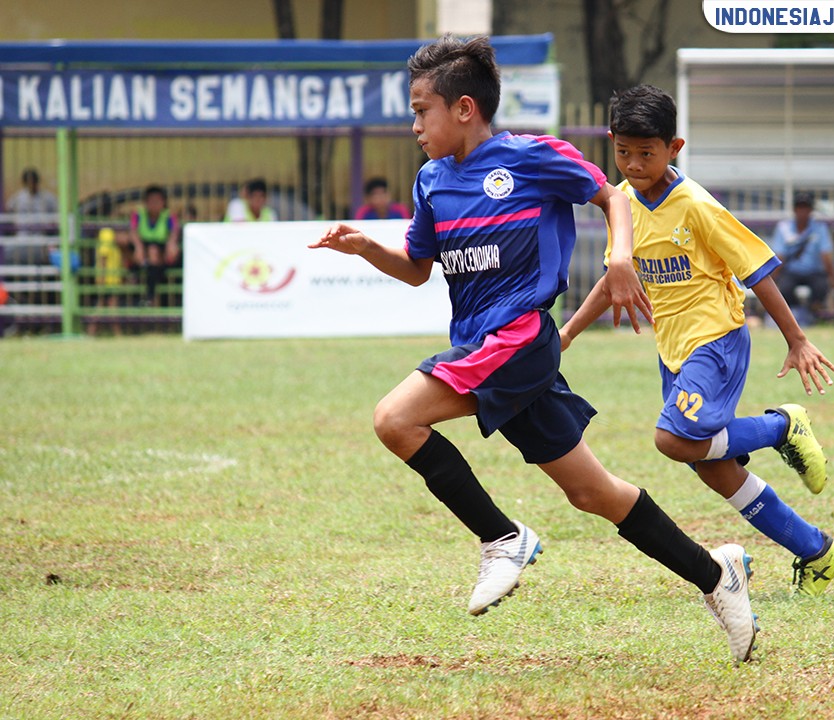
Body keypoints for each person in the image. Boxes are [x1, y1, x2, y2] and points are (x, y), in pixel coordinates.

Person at [309, 36, 758, 664]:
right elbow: (416, 268)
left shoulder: (531, 158)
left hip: (518, 339)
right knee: (595, 494)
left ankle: (502, 538)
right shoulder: (432, 180)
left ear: (465, 108)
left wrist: (621, 257)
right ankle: (717, 576)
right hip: (484, 347)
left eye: (421, 111)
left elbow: (612, 196)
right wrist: (366, 249)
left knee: (394, 418)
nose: (414, 126)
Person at [560, 84, 834, 599]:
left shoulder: (695, 205)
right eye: (623, 151)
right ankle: (817, 551)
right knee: (713, 469)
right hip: (674, 351)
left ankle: (780, 427)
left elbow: (756, 269)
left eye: (646, 153)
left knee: (672, 440)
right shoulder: (621, 204)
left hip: (716, 340)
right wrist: (567, 335)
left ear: (675, 148)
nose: (632, 163)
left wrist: (796, 339)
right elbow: (613, 281)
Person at [769, 191, 834, 324]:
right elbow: (780, 257)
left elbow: (826, 256)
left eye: (805, 208)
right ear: (794, 210)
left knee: (821, 286)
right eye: (799, 208)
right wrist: (771, 279)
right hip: (791, 271)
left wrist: (833, 279)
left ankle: (810, 313)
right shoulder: (784, 228)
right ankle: (800, 313)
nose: (802, 212)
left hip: (814, 272)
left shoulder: (819, 228)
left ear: (811, 210)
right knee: (784, 288)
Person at [129, 185, 180, 306]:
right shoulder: (139, 215)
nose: (154, 204)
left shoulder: (168, 216)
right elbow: (133, 232)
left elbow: (174, 233)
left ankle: (150, 295)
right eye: (151, 201)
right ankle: (144, 285)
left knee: (156, 253)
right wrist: (139, 247)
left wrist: (171, 245)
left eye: (157, 201)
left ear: (163, 202)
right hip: (144, 245)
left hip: (160, 248)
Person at [86, 227, 124, 337]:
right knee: (111, 308)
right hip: (107, 281)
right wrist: (102, 280)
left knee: (101, 307)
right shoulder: (107, 236)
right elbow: (103, 259)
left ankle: (91, 332)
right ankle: (117, 333)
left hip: (110, 281)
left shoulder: (111, 239)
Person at [6, 167, 58, 238]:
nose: (31, 185)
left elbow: (57, 210)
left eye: (33, 182)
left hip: (41, 235)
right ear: (24, 183)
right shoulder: (18, 197)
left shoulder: (47, 197)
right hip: (22, 235)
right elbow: (9, 210)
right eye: (28, 183)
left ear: (37, 182)